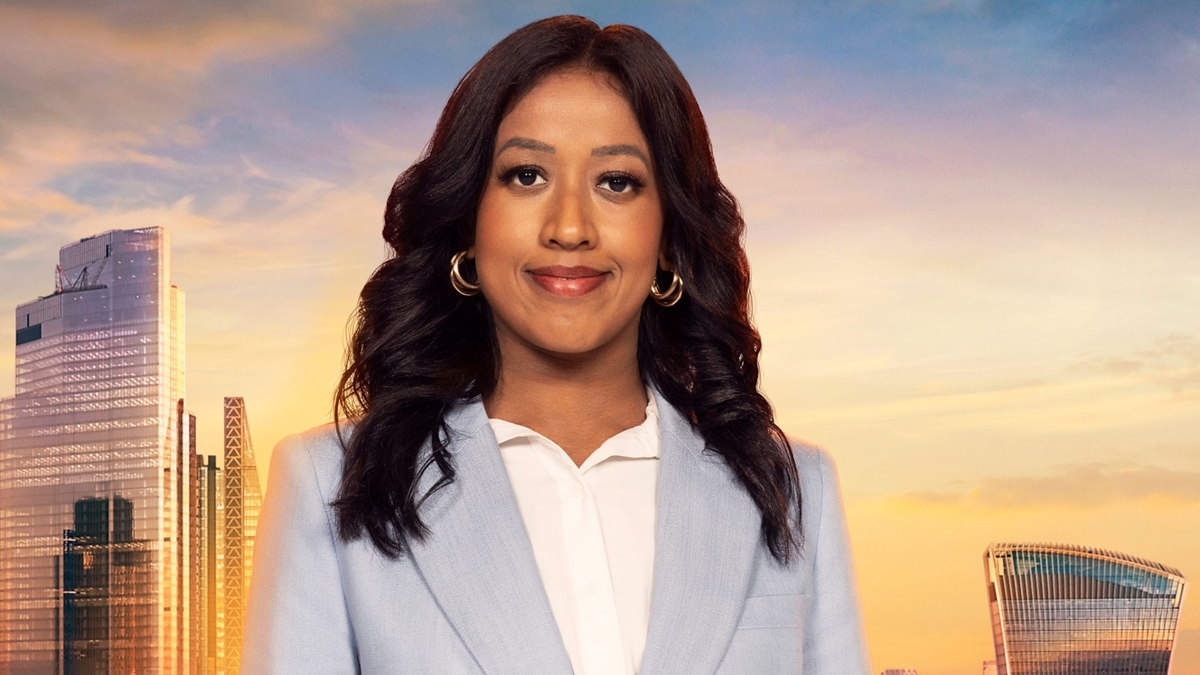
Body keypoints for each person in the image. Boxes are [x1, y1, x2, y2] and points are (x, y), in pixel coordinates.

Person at [243, 14, 870, 675]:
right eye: (526, 176)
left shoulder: (793, 488)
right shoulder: (330, 481)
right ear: (468, 223)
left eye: (617, 182)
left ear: (667, 233)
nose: (569, 226)